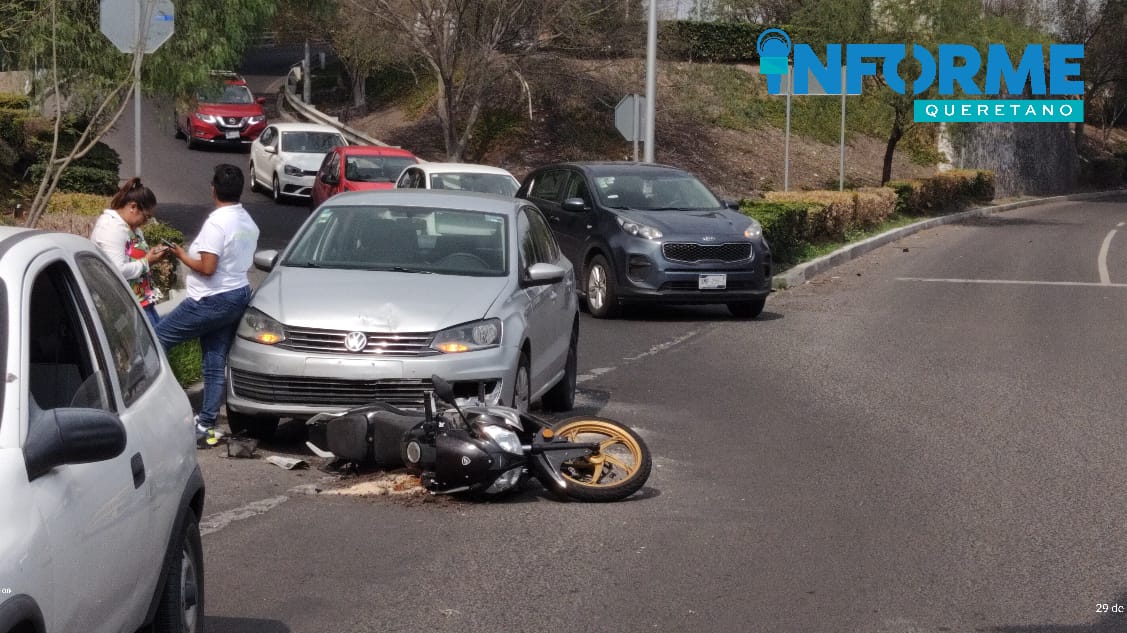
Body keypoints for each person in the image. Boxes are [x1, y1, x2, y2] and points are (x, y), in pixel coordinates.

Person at [157, 164, 260, 446]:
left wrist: (180, 254)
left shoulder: (217, 222)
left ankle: (160, 409)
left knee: (156, 341)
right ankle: (206, 425)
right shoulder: (247, 221)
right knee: (214, 361)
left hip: (210, 299)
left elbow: (206, 267)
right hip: (237, 294)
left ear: (213, 188)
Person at [89, 177, 168, 327]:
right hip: (125, 303)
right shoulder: (112, 228)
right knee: (154, 345)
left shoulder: (130, 227)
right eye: (146, 217)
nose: (146, 222)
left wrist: (151, 255)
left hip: (139, 300)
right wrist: (147, 262)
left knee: (157, 342)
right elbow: (117, 269)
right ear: (133, 207)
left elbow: (134, 257)